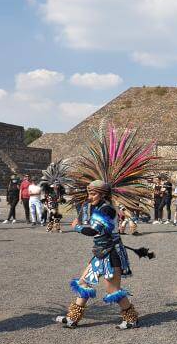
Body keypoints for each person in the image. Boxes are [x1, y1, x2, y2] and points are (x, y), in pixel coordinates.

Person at [55, 126, 156, 330]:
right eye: (88, 193)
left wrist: (77, 228)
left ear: (101, 194)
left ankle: (131, 318)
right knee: (84, 283)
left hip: (111, 255)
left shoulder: (107, 209)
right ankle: (73, 318)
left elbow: (94, 231)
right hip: (100, 253)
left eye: (92, 194)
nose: (89, 197)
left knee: (113, 290)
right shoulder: (98, 207)